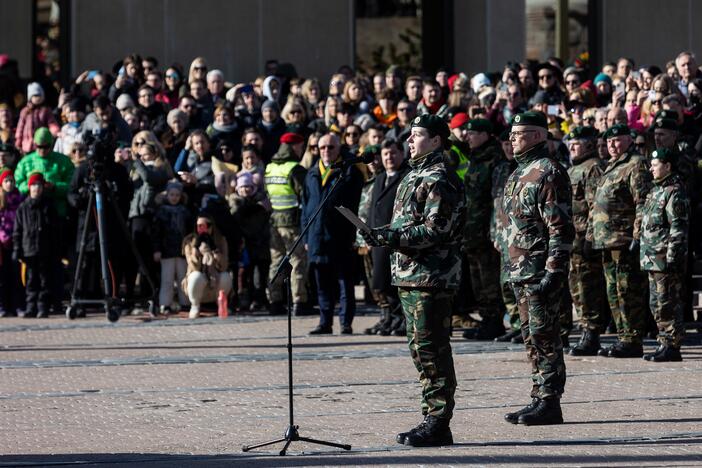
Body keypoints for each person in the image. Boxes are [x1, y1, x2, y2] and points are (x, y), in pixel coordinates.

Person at [361, 114, 465, 446]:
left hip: (432, 276)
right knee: (420, 349)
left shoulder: (438, 178)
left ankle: (438, 421)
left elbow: (437, 229)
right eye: (410, 135)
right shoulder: (414, 175)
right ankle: (432, 416)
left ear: (436, 140)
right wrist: (385, 236)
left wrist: (390, 236)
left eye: (417, 135)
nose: (409, 140)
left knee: (432, 348)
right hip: (411, 275)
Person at [502, 111, 573, 426]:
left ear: (538, 136)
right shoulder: (518, 173)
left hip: (540, 270)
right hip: (520, 269)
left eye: (519, 133)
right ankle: (538, 396)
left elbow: (560, 227)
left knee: (545, 336)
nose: (512, 139)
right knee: (531, 337)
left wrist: (554, 270)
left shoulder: (549, 172)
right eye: (512, 133)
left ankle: (550, 402)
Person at [588, 123, 652, 358]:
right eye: (608, 142)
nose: (612, 145)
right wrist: (590, 235)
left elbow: (642, 202)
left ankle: (632, 339)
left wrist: (637, 235)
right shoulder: (610, 167)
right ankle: (623, 337)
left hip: (625, 240)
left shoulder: (636, 164)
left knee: (628, 291)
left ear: (629, 140)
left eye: (617, 140)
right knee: (613, 291)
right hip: (607, 241)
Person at [301, 133, 363, 335]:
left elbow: (356, 205)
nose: (326, 151)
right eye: (322, 148)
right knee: (322, 284)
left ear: (339, 148)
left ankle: (346, 323)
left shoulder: (349, 172)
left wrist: (355, 234)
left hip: (340, 237)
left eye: (331, 147)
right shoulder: (311, 174)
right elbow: (306, 207)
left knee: (345, 283)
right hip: (316, 237)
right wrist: (306, 236)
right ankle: (325, 322)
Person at [640, 148, 689, 362]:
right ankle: (664, 343)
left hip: (665, 258)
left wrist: (673, 257)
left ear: (667, 166)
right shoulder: (655, 190)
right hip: (651, 258)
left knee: (667, 302)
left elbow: (677, 227)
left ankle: (672, 345)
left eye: (656, 164)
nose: (651, 168)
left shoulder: (674, 191)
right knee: (656, 303)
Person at [459, 118, 505, 341]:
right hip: (472, 231)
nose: (468, 136)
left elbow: (496, 198)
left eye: (474, 133)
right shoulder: (475, 159)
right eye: (467, 132)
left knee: (489, 279)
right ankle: (486, 319)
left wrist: (493, 230)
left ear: (486, 135)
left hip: (486, 230)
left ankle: (494, 321)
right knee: (477, 279)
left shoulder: (494, 159)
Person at [565, 126, 609, 356]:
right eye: (570, 143)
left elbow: (595, 207)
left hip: (584, 238)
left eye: (577, 143)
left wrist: (590, 238)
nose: (572, 146)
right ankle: (585, 329)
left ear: (590, 144)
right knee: (577, 288)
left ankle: (591, 333)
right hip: (571, 239)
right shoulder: (575, 168)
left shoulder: (592, 168)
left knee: (587, 287)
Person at [364, 139, 410, 336]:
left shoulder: (405, 176)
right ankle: (389, 318)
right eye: (385, 155)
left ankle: (401, 320)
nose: (389, 157)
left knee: (395, 282)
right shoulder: (380, 178)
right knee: (381, 281)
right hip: (378, 238)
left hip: (395, 238)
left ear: (401, 154)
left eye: (393, 153)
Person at [265, 132, 309, 315]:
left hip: (275, 221)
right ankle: (299, 302)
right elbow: (305, 196)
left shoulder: (270, 167)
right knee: (297, 261)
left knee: (276, 262)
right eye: (300, 146)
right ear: (293, 146)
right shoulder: (294, 169)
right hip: (292, 222)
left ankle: (274, 300)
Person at [12, 173, 59, 318]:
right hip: (29, 250)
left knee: (45, 280)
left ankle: (42, 307)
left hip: (45, 250)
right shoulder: (23, 208)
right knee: (31, 280)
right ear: (29, 187)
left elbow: (55, 230)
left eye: (39, 185)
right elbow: (17, 231)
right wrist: (17, 249)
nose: (36, 188)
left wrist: (56, 248)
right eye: (33, 185)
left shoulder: (49, 206)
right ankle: (31, 306)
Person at [491, 129, 520, 343]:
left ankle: (524, 325)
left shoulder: (525, 168)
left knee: (520, 283)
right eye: (505, 144)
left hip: (520, 238)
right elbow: (496, 204)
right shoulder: (500, 169)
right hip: (502, 235)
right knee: (505, 284)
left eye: (512, 142)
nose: (509, 147)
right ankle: (516, 323)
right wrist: (494, 232)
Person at [229, 172, 271, 311]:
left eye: (248, 187)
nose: (245, 190)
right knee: (244, 277)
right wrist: (256, 207)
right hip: (243, 247)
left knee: (260, 276)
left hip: (261, 246)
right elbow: (236, 215)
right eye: (242, 187)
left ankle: (260, 299)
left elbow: (265, 223)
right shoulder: (235, 201)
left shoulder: (261, 201)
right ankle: (243, 300)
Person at [182, 213, 232, 318]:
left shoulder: (220, 240)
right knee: (196, 276)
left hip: (215, 282)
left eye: (206, 225)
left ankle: (221, 304)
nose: (203, 228)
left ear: (212, 226)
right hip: (197, 284)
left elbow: (224, 266)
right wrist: (197, 250)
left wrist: (215, 252)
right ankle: (195, 305)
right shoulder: (189, 241)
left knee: (225, 276)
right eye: (199, 226)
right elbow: (193, 266)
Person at [153, 181, 192, 314]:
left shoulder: (186, 211)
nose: (174, 197)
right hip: (166, 250)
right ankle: (165, 303)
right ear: (167, 195)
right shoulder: (161, 212)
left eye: (177, 195)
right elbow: (157, 233)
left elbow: (189, 232)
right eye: (172, 195)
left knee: (183, 278)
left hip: (182, 251)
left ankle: (185, 302)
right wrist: (157, 249)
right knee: (167, 279)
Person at [0, 170, 24, 317]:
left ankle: (18, 306)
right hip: (1, 245)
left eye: (11, 181)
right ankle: (2, 305)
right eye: (6, 181)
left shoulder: (20, 199)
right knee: (2, 277)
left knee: (16, 276)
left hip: (16, 242)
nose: (9, 183)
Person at [15, 82, 60, 154]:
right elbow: (20, 128)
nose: (38, 98)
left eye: (40, 95)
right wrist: (18, 141)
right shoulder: (25, 111)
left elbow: (51, 123)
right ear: (30, 97)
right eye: (35, 96)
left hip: (41, 144)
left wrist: (56, 131)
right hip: (27, 145)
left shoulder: (46, 110)